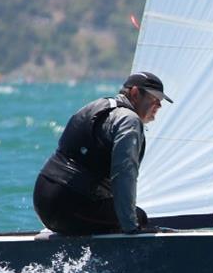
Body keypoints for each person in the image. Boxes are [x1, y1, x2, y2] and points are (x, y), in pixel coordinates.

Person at [33, 71, 173, 236]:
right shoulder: (129, 120)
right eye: (154, 99)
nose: (159, 106)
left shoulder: (99, 106)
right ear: (135, 93)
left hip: (43, 200)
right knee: (138, 217)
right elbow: (124, 174)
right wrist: (131, 227)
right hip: (69, 206)